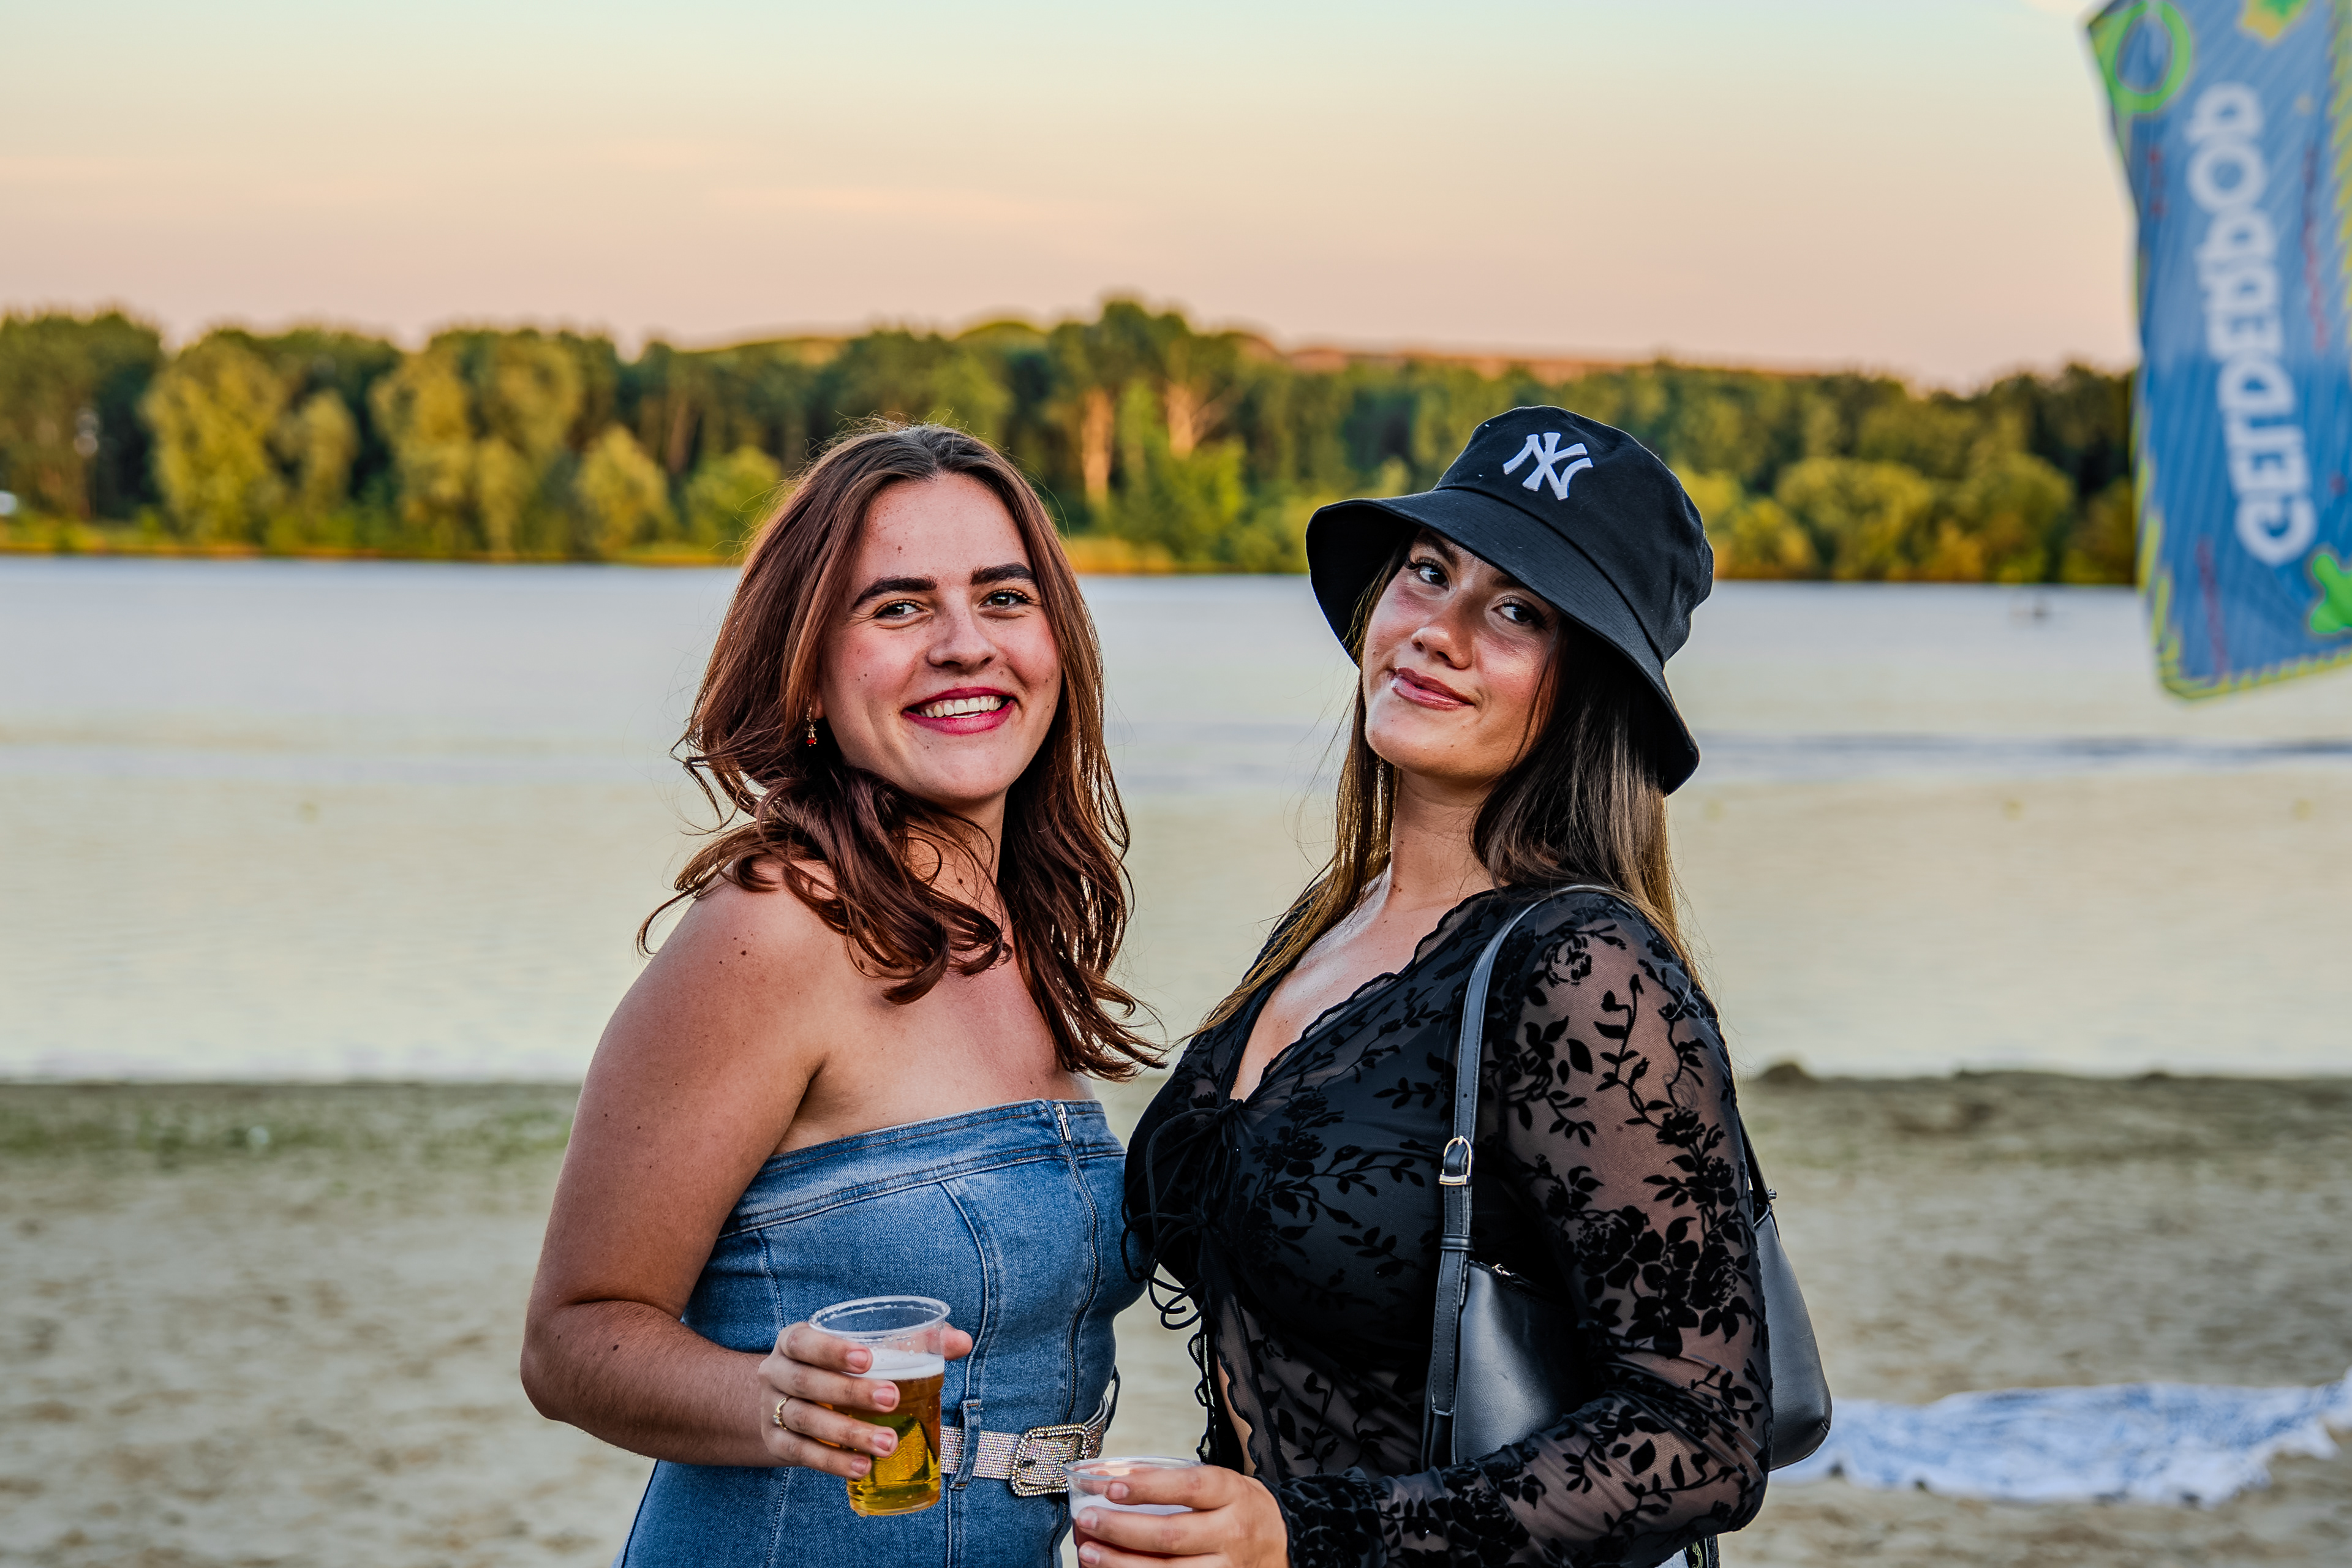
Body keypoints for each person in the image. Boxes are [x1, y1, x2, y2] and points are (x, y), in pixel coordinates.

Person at [1092, 408, 1769, 1568]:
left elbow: (1704, 1438)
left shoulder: (1584, 969)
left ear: (1593, 686)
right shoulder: (1333, 923)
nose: (1436, 633)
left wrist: (1299, 1537)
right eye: (1428, 571)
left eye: (1518, 612)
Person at [521, 423, 1155, 1567]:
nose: (965, 645)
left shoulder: (1021, 934)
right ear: (808, 668)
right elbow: (572, 1341)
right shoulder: (775, 929)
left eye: (1004, 597)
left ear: (1058, 641)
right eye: (898, 607)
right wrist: (769, 1402)